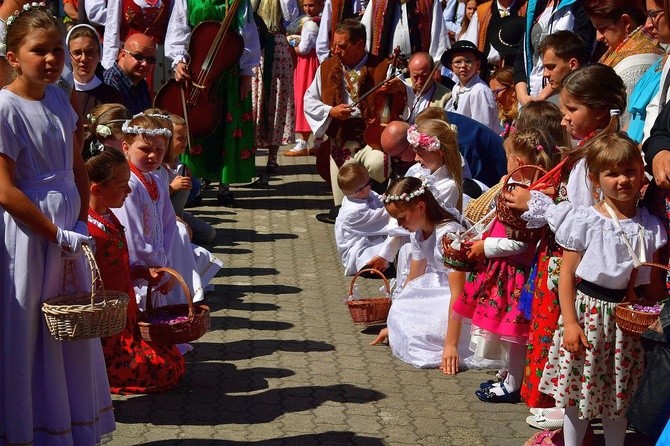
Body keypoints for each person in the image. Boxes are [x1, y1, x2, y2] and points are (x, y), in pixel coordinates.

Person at [0, 5, 115, 444]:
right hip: (31, 235)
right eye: (38, 51)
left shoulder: (61, 97)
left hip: (68, 231)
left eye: (55, 51)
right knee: (31, 328)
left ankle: (68, 426)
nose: (50, 59)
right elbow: (6, 191)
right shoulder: (5, 109)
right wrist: (55, 232)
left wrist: (82, 220)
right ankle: (29, 428)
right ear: (14, 56)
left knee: (70, 324)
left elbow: (76, 166)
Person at [502, 64, 627, 410]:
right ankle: (559, 422)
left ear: (600, 110)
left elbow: (585, 222)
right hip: (560, 260)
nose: (564, 120)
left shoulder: (598, 158)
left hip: (571, 266)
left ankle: (565, 423)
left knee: (568, 350)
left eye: (572, 109)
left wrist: (538, 203)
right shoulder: (588, 150)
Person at [538, 133, 667, 446]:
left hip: (628, 321)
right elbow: (567, 275)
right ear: (596, 179)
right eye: (612, 174)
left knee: (619, 393)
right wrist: (570, 322)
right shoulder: (585, 220)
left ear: (642, 174)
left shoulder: (650, 225)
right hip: (589, 314)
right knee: (578, 392)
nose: (623, 180)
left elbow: (652, 281)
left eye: (630, 172)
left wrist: (655, 313)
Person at [453, 128, 558, 404]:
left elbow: (520, 244)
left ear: (519, 164)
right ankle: (510, 372)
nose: (505, 163)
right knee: (508, 331)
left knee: (514, 334)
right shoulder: (520, 190)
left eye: (508, 158)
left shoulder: (525, 198)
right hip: (507, 270)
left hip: (516, 275)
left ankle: (513, 383)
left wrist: (484, 247)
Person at [85, 147, 186, 394]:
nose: (129, 191)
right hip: (107, 326)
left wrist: (142, 271)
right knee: (164, 371)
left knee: (173, 359)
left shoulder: (107, 216)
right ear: (97, 190)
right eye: (122, 186)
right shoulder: (89, 230)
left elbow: (121, 263)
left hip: (126, 317)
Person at [165, 0, 262, 206]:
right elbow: (179, 28)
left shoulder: (239, 2)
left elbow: (248, 35)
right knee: (196, 123)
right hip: (197, 69)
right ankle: (194, 186)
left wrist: (246, 74)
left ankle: (224, 187)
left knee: (227, 125)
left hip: (229, 71)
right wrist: (179, 60)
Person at [370, 177, 472, 370]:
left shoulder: (448, 236)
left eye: (402, 217)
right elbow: (413, 278)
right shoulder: (418, 232)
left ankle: (450, 342)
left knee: (425, 330)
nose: (399, 224)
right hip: (439, 287)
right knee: (404, 309)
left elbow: (459, 293)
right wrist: (394, 320)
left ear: (420, 207)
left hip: (462, 296)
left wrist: (451, 345)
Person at [304, 19, 393, 222]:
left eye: (342, 46)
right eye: (334, 45)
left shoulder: (381, 67)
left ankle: (376, 206)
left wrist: (398, 88)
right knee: (341, 209)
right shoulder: (327, 67)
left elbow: (402, 99)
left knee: (378, 164)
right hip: (340, 143)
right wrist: (330, 111)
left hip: (371, 141)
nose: (336, 50)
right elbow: (309, 100)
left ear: (360, 44)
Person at [112, 114, 177, 310]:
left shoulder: (157, 179)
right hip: (139, 268)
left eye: (159, 150)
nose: (153, 156)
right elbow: (132, 235)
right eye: (145, 149)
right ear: (126, 148)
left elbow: (169, 223)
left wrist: (166, 265)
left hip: (157, 266)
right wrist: (156, 265)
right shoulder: (129, 183)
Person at [585, 0, 662, 127]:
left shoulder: (633, 67)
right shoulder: (616, 53)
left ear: (625, 22)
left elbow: (624, 122)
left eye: (603, 28)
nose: (598, 37)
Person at [251, 0, 299, 174]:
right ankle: (250, 153)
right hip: (256, 45)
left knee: (277, 101)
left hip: (277, 43)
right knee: (255, 100)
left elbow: (291, 16)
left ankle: (272, 156)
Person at [334, 162, 401, 276]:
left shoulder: (365, 194)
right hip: (358, 247)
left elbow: (380, 200)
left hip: (371, 237)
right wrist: (401, 204)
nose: (372, 185)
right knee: (379, 253)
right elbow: (384, 216)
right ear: (362, 191)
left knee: (393, 244)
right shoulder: (354, 212)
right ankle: (370, 268)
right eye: (370, 182)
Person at [101, 0, 172, 92]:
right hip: (132, 54)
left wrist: (178, 58)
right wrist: (109, 65)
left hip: (158, 58)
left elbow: (176, 26)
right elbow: (112, 28)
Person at [286, 0, 324, 156]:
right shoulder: (318, 20)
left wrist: (290, 45)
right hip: (312, 62)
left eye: (312, 5)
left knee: (304, 98)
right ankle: (318, 141)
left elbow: (304, 49)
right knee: (316, 99)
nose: (308, 9)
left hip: (307, 64)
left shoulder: (310, 24)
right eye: (306, 5)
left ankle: (302, 142)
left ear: (321, 5)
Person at [66, 23, 122, 119]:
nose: (83, 58)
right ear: (68, 56)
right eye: (77, 53)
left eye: (89, 52)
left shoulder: (112, 96)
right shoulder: (60, 93)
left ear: (99, 55)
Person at [360, 0, 449, 61]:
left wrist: (437, 64)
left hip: (418, 71)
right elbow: (365, 33)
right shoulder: (377, 2)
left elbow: (438, 33)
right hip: (384, 67)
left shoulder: (429, 1)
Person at [443, 40, 500, 132]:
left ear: (477, 65)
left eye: (468, 61)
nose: (463, 66)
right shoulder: (456, 88)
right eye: (457, 62)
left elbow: (482, 128)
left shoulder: (479, 91)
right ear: (451, 67)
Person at [103, 32, 155, 115]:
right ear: (122, 54)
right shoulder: (109, 84)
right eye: (139, 57)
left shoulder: (141, 84)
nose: (145, 64)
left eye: (151, 60)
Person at [534, 30, 590, 105]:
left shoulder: (593, 100)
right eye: (544, 67)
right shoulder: (552, 105)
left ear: (573, 64)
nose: (545, 74)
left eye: (551, 67)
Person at [404, 52, 452, 124]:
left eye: (424, 76)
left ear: (433, 72)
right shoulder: (403, 86)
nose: (419, 81)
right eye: (415, 77)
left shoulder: (446, 96)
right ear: (409, 72)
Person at [488, 66, 517, 138]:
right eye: (492, 93)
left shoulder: (524, 118)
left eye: (497, 92)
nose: (494, 97)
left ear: (512, 90)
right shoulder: (499, 117)